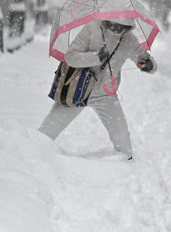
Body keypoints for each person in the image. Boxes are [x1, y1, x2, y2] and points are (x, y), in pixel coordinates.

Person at [39, 17, 157, 160]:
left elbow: (144, 58)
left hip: (106, 96)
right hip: (76, 91)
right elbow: (70, 57)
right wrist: (96, 57)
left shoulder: (128, 38)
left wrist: (148, 65)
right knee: (43, 137)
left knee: (124, 149)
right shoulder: (92, 28)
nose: (117, 21)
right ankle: (31, 159)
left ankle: (126, 169)